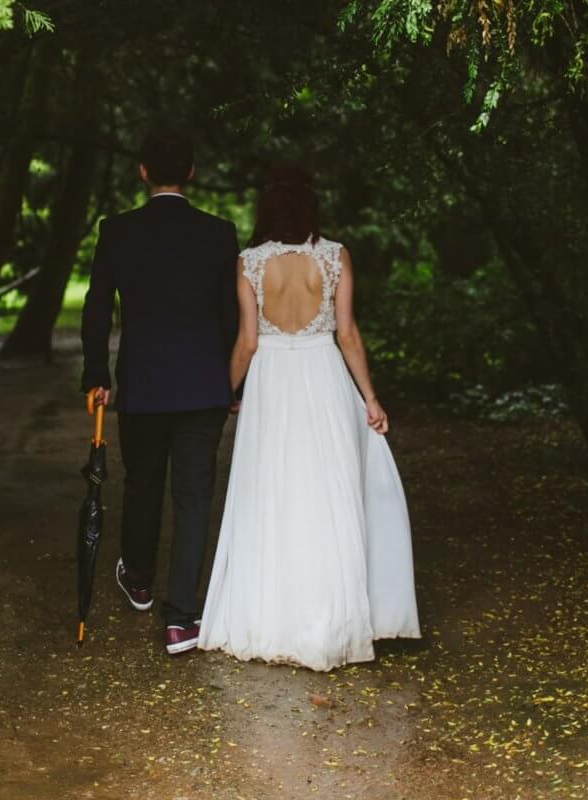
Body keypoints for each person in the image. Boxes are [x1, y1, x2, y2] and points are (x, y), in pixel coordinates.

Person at [197, 163, 420, 670]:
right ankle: (331, 620)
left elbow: (248, 342)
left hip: (272, 384)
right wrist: (370, 397)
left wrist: (222, 393)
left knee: (270, 492)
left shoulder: (249, 262)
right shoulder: (336, 256)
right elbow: (348, 336)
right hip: (323, 377)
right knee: (328, 492)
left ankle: (269, 618)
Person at [80, 128, 239, 655]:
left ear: (143, 172)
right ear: (190, 172)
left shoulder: (118, 231)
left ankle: (140, 579)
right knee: (193, 498)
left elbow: (97, 306)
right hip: (203, 386)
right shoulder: (219, 233)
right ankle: (181, 619)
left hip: (144, 385)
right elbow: (230, 316)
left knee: (143, 482)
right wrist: (233, 382)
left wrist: (96, 373)